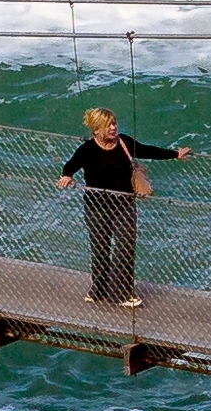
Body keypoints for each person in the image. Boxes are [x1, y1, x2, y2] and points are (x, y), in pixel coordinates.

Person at [56, 106, 187, 308]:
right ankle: (98, 289)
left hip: (124, 206)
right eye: (108, 125)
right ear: (97, 129)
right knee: (100, 249)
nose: (113, 127)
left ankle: (122, 293)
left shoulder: (124, 142)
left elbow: (146, 150)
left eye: (114, 123)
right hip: (96, 207)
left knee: (125, 247)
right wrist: (67, 177)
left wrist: (175, 154)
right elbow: (71, 165)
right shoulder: (88, 149)